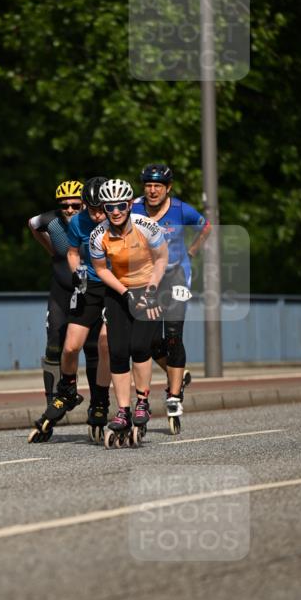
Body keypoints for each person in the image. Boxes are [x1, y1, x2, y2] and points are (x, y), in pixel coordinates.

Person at [27, 176, 111, 443]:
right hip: (63, 289)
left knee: (94, 347)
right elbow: (33, 224)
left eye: (76, 205)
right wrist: (52, 251)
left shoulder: (95, 220)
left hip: (91, 289)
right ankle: (56, 400)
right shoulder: (52, 221)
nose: (70, 210)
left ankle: (98, 404)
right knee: (55, 345)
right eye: (65, 205)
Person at [89, 178, 169, 447]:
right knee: (118, 351)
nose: (115, 212)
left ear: (129, 204)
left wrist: (152, 290)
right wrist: (125, 293)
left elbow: (162, 259)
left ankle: (142, 402)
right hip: (119, 290)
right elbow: (101, 270)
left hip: (150, 286)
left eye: (121, 206)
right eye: (109, 207)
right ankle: (123, 409)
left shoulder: (147, 226)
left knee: (140, 346)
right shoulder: (98, 235)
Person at [133, 164, 212, 432]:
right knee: (150, 340)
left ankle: (174, 396)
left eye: (158, 186)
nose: (152, 190)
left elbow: (206, 227)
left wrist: (192, 252)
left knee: (174, 336)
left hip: (177, 275)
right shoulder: (133, 208)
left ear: (168, 188)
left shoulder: (181, 210)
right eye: (148, 185)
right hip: (148, 278)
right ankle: (178, 373)